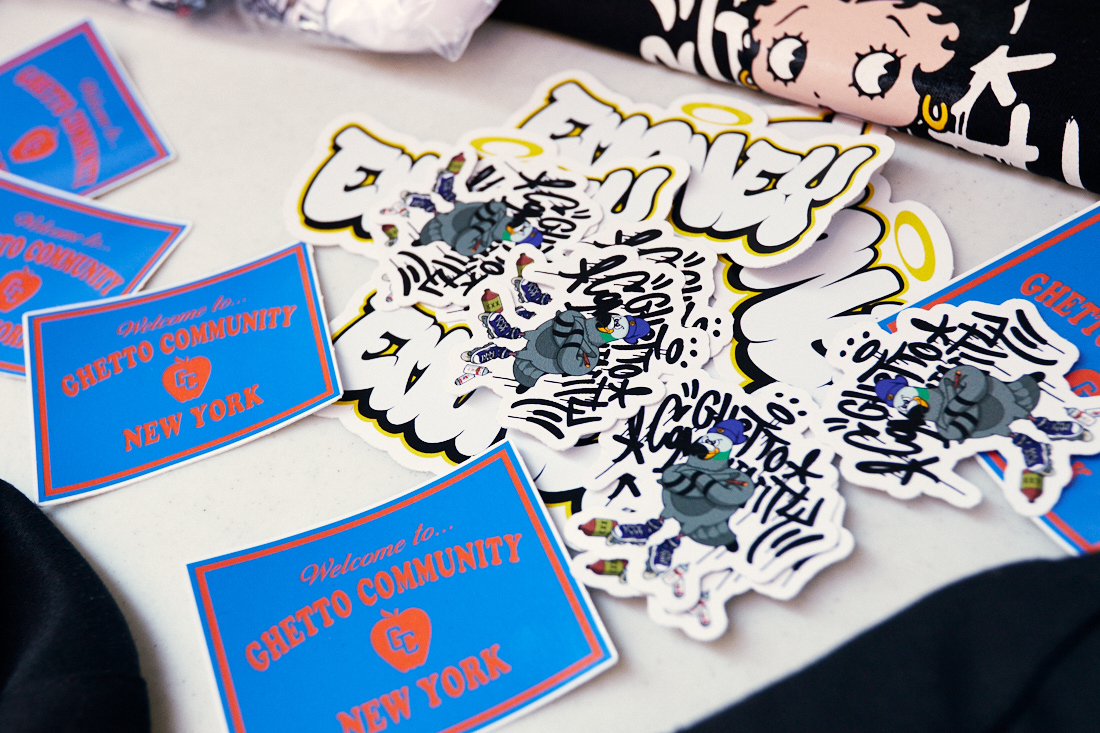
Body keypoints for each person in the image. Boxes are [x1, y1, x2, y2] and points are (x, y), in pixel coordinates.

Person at [462, 310, 650, 391]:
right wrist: (575, 332)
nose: (616, 323)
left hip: (534, 365)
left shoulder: (592, 357)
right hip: (538, 338)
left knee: (527, 368)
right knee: (542, 334)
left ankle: (500, 352)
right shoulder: (577, 317)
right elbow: (556, 325)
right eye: (621, 320)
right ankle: (511, 333)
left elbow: (566, 361)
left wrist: (576, 335)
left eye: (623, 328)